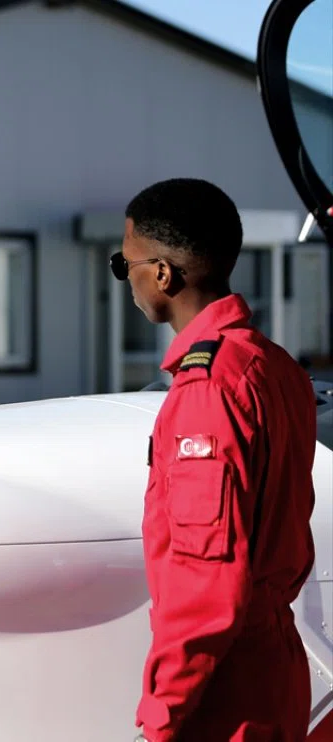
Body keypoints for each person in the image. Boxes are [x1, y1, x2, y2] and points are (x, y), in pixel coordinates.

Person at [116, 178, 316, 742]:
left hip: (225, 697)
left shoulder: (207, 390)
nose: (125, 279)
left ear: (162, 273)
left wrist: (161, 717)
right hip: (275, 672)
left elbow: (205, 580)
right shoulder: (275, 366)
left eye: (124, 264)